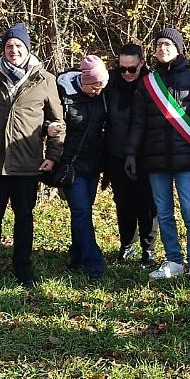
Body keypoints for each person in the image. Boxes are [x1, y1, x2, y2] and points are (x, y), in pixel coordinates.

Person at [0, 23, 65, 290]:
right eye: (9, 46)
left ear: (28, 49)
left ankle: (23, 268)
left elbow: (57, 123)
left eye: (19, 45)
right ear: (3, 49)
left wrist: (53, 154)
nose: (14, 50)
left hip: (27, 163)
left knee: (24, 217)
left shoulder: (44, 79)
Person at [125, 28, 190, 288]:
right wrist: (131, 153)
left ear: (179, 49)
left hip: (187, 157)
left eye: (168, 44)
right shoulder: (147, 82)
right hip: (155, 159)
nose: (162, 49)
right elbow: (138, 122)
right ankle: (174, 260)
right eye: (158, 45)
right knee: (164, 213)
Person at [104, 43, 157, 268]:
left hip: (146, 155)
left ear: (141, 64)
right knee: (123, 202)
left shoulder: (152, 84)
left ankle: (148, 248)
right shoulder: (110, 83)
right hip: (116, 153)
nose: (126, 73)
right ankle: (127, 243)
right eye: (122, 68)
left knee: (147, 204)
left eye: (131, 68)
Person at [57, 55, 110, 280]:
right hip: (71, 163)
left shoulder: (103, 95)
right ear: (83, 80)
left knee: (83, 210)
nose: (98, 90)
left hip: (94, 163)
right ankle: (93, 263)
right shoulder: (62, 93)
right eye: (94, 86)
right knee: (81, 210)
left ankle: (76, 253)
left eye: (102, 85)